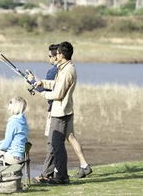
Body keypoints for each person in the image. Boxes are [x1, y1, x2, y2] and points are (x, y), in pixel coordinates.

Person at [33, 41, 92, 184]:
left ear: (62, 54)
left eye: (58, 53)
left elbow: (58, 93)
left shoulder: (68, 70)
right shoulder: (64, 68)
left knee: (56, 145)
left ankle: (62, 177)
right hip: (62, 111)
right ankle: (61, 176)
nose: (56, 54)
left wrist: (42, 94)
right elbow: (56, 84)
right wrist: (43, 83)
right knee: (58, 144)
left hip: (60, 113)